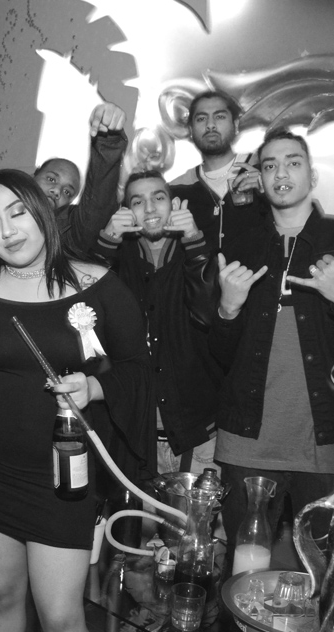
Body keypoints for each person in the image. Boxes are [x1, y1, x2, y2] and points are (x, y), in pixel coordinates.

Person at [0, 169, 154, 632]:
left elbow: (138, 370)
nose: (7, 231)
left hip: (63, 479)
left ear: (43, 212)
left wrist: (94, 387)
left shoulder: (98, 284)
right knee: (1, 595)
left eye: (17, 213)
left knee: (61, 620)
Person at [211, 129, 334, 572]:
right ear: (260, 178)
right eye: (270, 165)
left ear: (312, 175)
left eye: (293, 162)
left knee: (329, 574)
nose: (281, 173)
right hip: (248, 439)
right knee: (244, 573)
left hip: (329, 437)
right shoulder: (239, 245)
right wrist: (227, 309)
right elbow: (219, 355)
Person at [97, 170, 221, 477]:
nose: (150, 208)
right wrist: (106, 242)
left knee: (198, 512)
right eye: (138, 201)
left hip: (198, 434)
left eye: (158, 197)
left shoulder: (199, 249)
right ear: (126, 212)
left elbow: (208, 316)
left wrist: (193, 239)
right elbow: (84, 316)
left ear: (174, 203)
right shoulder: (118, 258)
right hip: (134, 434)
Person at [0, 103, 127, 263]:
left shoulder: (71, 231)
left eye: (67, 192)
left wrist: (108, 139)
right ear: (34, 176)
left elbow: (98, 201)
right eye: (51, 179)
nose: (56, 191)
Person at [170, 90, 266, 253]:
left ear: (235, 125)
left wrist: (267, 192)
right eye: (201, 119)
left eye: (220, 116)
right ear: (191, 130)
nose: (210, 125)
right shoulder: (177, 189)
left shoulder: (263, 169)